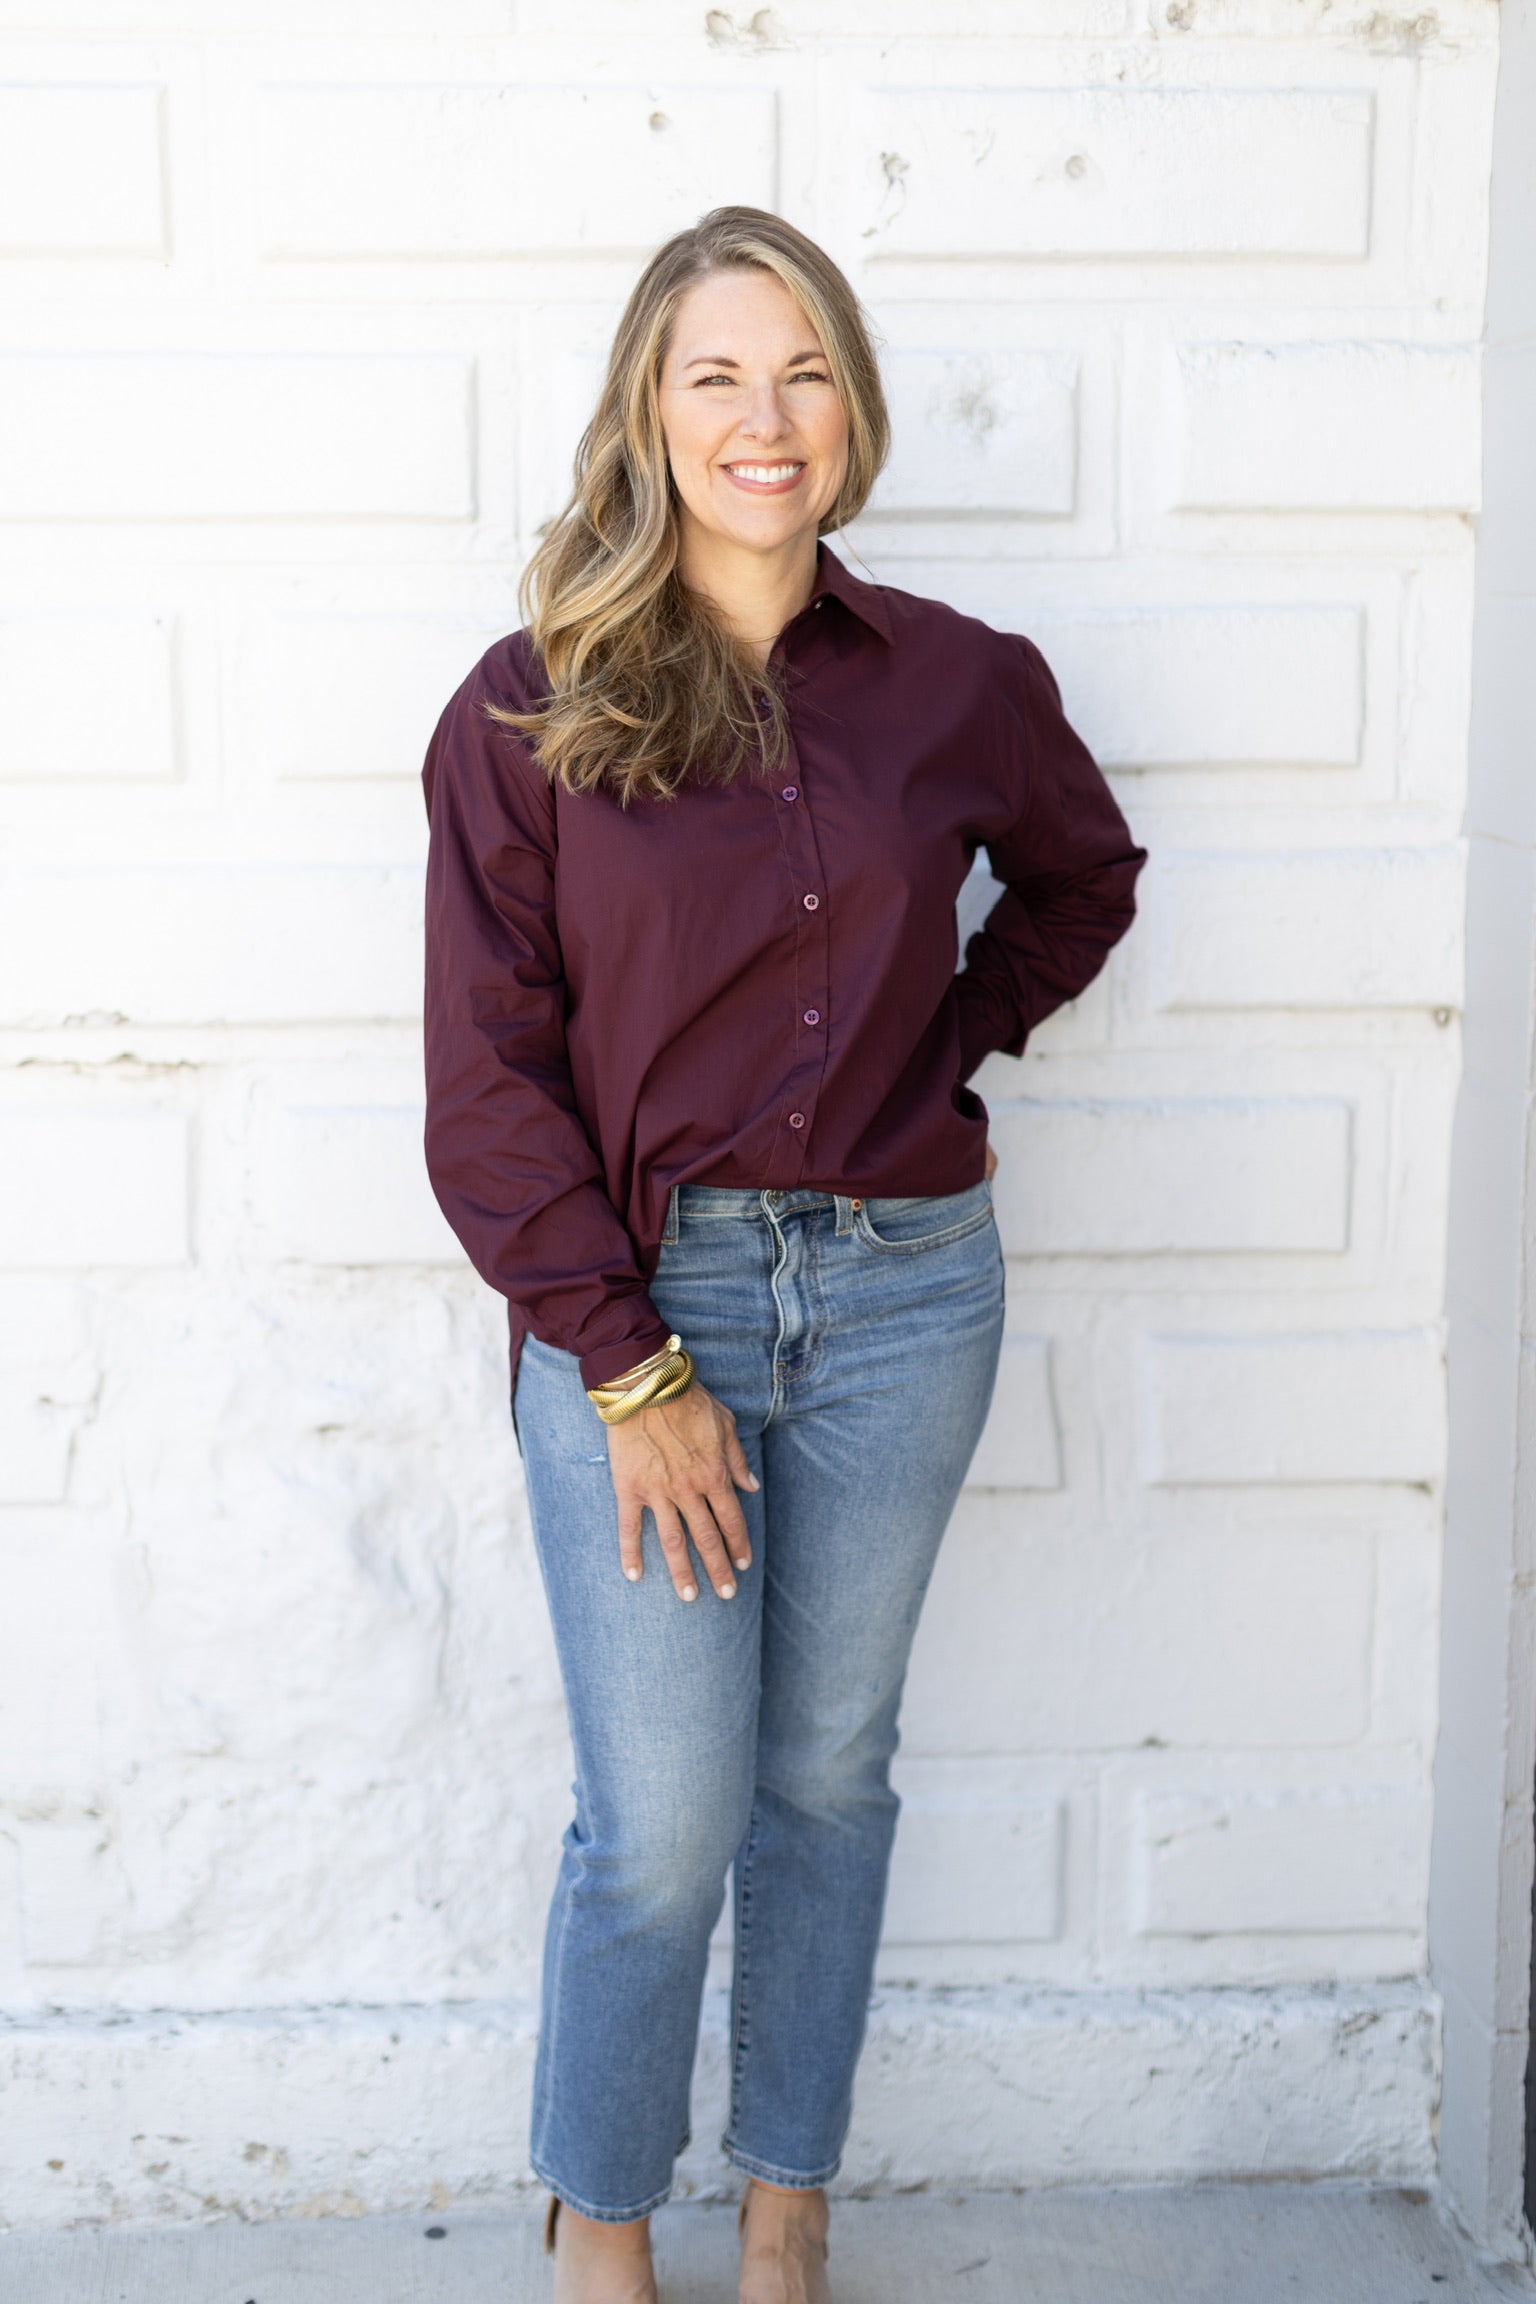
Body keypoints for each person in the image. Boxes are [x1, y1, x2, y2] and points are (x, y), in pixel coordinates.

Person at [421, 205, 1145, 2304]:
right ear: (649, 411)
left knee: (828, 1774)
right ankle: (604, 2226)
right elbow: (488, 1090)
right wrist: (631, 1374)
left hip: (914, 1294)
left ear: (855, 408)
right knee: (657, 1828)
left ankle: (790, 2206)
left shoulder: (956, 682)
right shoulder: (528, 710)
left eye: (804, 368)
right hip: (652, 1310)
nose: (767, 416)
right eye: (718, 372)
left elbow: (1085, 880)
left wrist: (949, 1027)